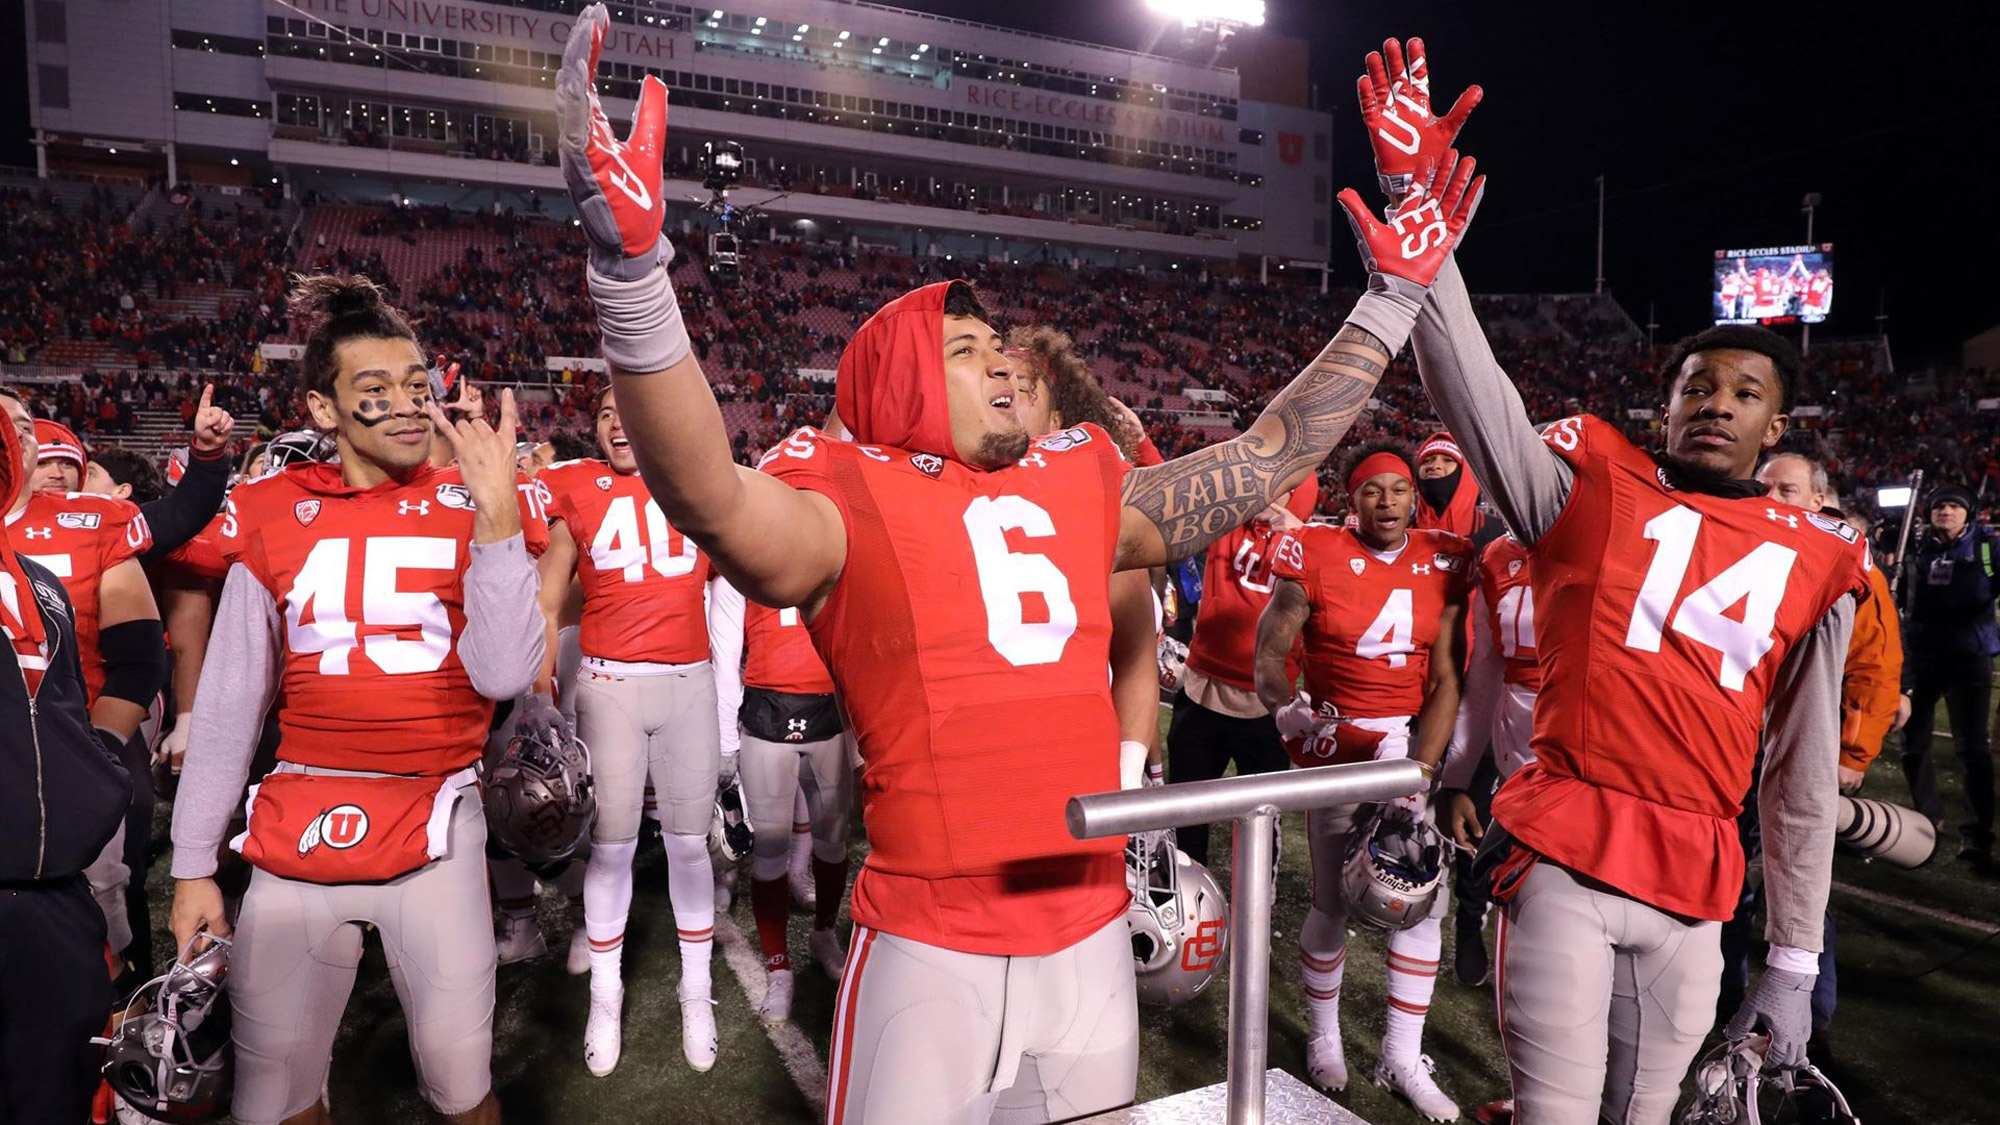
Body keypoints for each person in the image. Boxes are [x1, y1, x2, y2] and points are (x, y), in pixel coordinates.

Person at [553, 7, 1480, 1118]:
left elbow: (1262, 456)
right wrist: (633, 278)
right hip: (928, 943)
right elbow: (707, 496)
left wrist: (1393, 297)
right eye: (965, 350)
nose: (1000, 362)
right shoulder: (845, 490)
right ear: (896, 380)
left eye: (999, 346)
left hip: (1086, 931)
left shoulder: (1076, 473)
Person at [1353, 37, 1868, 1123]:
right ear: (1664, 406)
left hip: (1694, 888)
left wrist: (1789, 956)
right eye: (1695, 386)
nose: (1715, 404)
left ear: (1777, 426)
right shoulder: (1591, 494)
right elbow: (1472, 388)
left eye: (1742, 392)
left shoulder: (1818, 561)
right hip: (1562, 857)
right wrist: (1414, 208)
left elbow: (1802, 780)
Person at [167, 275, 547, 1125]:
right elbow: (230, 704)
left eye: (419, 388)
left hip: (436, 813)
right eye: (375, 392)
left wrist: (494, 522)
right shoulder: (270, 509)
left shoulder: (472, 504)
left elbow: (505, 674)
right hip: (297, 814)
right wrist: (193, 864)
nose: (410, 408)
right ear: (323, 409)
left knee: (457, 1080)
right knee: (272, 1094)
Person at [1253, 443, 1472, 1119]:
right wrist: (1284, 706)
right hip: (1340, 742)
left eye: (1398, 491)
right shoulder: (1313, 551)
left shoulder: (1444, 558)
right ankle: (1325, 1035)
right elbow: (1271, 645)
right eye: (1372, 490)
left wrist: (1422, 774)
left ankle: (1401, 1055)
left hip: (1406, 741)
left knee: (1421, 900)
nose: (1387, 502)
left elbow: (1445, 678)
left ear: (1416, 498)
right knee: (1332, 897)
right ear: (1353, 498)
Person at [533, 384, 730, 1075]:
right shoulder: (575, 486)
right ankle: (606, 995)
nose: (618, 422)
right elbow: (548, 594)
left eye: (628, 410)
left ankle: (696, 990)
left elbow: (729, 593)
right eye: (605, 413)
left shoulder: (694, 481)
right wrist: (540, 692)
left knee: (688, 845)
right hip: (610, 683)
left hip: (689, 683)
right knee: (611, 848)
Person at [4, 390, 168, 979]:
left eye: (26, 425)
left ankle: (125, 1037)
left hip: (72, 751)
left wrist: (95, 753)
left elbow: (140, 658)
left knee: (101, 908)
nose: (19, 436)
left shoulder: (94, 520)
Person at [0, 396, 132, 1125]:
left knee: (59, 1091)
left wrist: (97, 769)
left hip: (52, 893)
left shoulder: (42, 587)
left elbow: (80, 700)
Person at [708, 571, 853, 1025]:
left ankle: (824, 933)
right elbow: (725, 657)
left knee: (833, 842)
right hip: (767, 714)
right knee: (769, 851)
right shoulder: (739, 569)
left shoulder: (830, 552)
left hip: (831, 711)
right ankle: (778, 967)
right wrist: (727, 740)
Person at [1161, 477, 1316, 866]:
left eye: (1281, 487)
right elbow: (1175, 488)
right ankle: (1184, 909)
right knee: (1184, 818)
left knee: (1262, 826)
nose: (1266, 495)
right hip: (1202, 692)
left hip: (1266, 704)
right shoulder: (1227, 523)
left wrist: (1301, 533)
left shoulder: (1317, 546)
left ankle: (1258, 906)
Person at [1439, 528, 1539, 991]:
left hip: (1583, 744)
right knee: (1480, 835)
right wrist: (1456, 776)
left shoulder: (1609, 534)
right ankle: (1469, 918)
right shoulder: (1500, 555)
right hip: (1509, 725)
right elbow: (1485, 671)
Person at [1898, 482, 1998, 870]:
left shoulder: (1988, 548)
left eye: (1956, 507)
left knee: (1972, 750)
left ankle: (1977, 836)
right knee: (1912, 742)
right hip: (1922, 657)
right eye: (1941, 507)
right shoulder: (1915, 548)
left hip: (1969, 659)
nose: (1947, 512)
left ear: (1968, 514)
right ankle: (1928, 816)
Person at [1413, 431, 1488, 541]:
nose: (1434, 466)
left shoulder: (1498, 533)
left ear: (1466, 474)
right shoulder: (1398, 531)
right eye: (1426, 460)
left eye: (1448, 460)